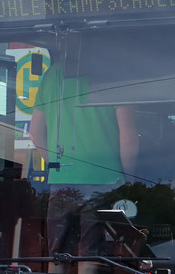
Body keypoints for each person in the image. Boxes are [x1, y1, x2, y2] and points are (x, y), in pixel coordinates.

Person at [26, 54, 137, 184]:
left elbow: (35, 133)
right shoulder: (114, 73)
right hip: (107, 180)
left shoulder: (52, 75)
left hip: (61, 182)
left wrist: (59, 167)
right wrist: (130, 179)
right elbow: (128, 139)